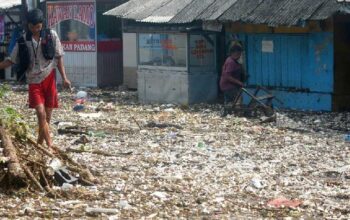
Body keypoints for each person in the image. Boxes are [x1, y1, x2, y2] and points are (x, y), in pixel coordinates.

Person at [0, 9, 71, 151]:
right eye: (32, 27)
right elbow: (11, 60)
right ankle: (50, 146)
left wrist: (64, 78)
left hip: (49, 77)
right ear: (28, 26)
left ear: (42, 25)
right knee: (40, 113)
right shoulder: (22, 40)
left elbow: (58, 57)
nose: (35, 30)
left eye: (38, 27)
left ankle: (40, 145)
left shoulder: (51, 35)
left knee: (47, 117)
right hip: (33, 80)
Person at [219, 44, 244, 117]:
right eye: (238, 53)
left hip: (225, 85)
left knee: (230, 101)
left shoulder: (230, 60)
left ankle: (228, 113)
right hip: (229, 86)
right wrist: (239, 83)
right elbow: (227, 76)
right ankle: (237, 113)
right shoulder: (231, 62)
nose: (239, 55)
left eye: (240, 54)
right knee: (238, 98)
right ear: (234, 53)